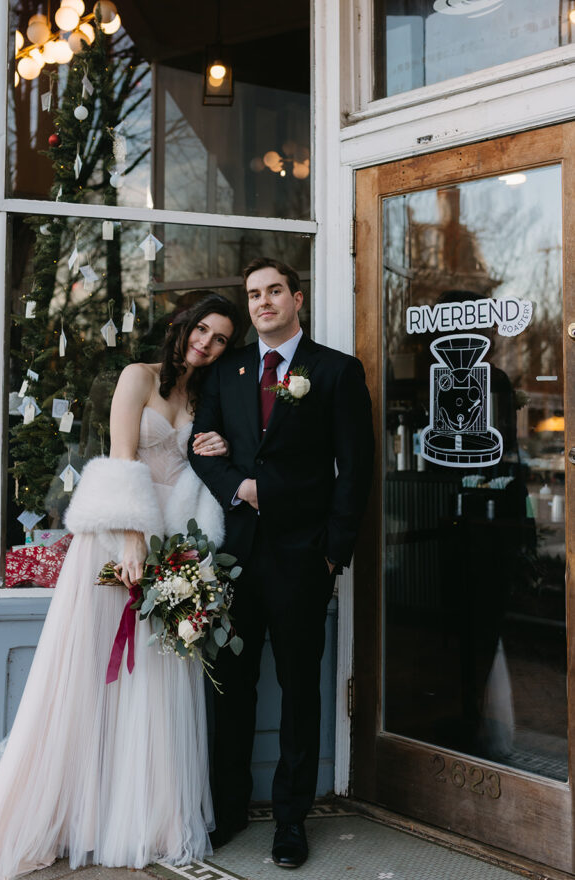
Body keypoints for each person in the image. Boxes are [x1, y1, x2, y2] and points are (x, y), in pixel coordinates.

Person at [0, 293, 242, 880]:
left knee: (154, 683)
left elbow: (200, 465)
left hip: (175, 546)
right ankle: (72, 812)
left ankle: (145, 817)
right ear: (182, 325)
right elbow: (122, 456)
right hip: (120, 538)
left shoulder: (207, 396)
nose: (207, 343)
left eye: (220, 338)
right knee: (95, 679)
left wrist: (217, 449)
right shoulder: (137, 377)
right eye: (202, 330)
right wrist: (132, 539)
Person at [189, 258, 374, 868]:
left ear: (297, 298)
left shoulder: (337, 372)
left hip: (303, 559)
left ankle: (290, 822)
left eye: (274, 292)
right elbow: (202, 449)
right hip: (236, 559)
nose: (263, 302)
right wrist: (239, 486)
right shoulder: (228, 370)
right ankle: (231, 809)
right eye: (253, 295)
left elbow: (355, 471)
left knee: (299, 694)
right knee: (233, 691)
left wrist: (332, 555)